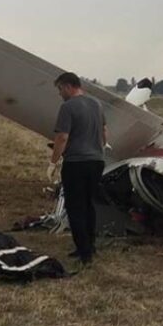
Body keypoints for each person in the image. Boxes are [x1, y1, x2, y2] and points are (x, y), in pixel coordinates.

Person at [49, 72, 106, 264]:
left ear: (67, 86)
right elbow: (104, 132)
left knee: (75, 207)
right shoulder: (96, 104)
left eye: (59, 89)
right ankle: (90, 245)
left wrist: (53, 161)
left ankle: (84, 253)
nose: (59, 94)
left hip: (76, 163)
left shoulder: (67, 107)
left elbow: (62, 137)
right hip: (97, 161)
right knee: (89, 205)